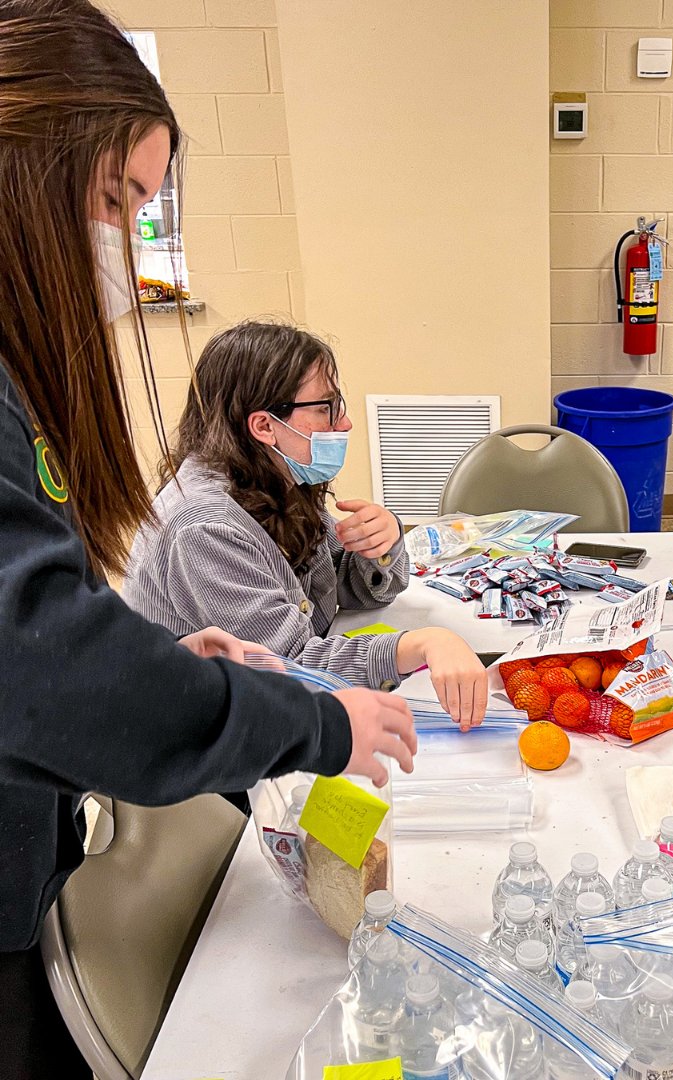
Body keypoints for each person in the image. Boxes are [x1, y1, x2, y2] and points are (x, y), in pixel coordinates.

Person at [0, 3, 415, 1074]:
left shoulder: (283, 489)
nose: (125, 244)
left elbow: (43, 636)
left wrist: (170, 660)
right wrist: (330, 714)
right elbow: (50, 671)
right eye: (111, 200)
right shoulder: (206, 517)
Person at [124, 321, 488, 728]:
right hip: (201, 732)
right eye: (325, 408)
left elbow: (344, 591)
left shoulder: (274, 475)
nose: (345, 423)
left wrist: (382, 545)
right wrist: (420, 644)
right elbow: (295, 671)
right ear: (264, 427)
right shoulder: (206, 527)